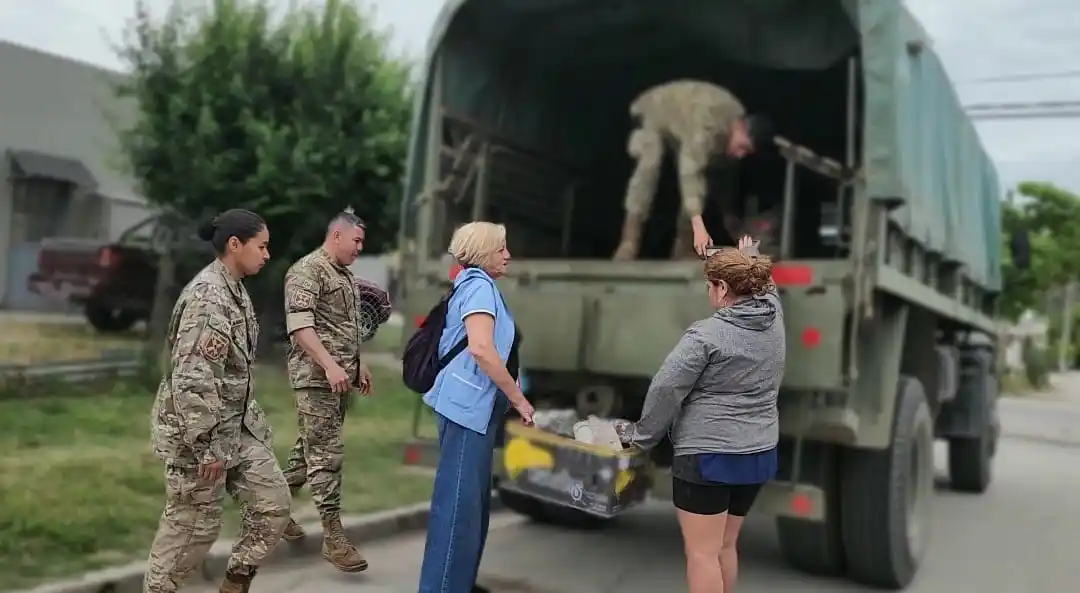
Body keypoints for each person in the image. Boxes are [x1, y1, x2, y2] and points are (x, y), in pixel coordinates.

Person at [615, 235, 783, 593]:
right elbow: (767, 284)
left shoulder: (706, 336)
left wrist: (640, 437)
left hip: (708, 457)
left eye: (710, 285)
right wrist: (749, 254)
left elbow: (666, 389)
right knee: (725, 545)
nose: (709, 293)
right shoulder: (774, 315)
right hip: (758, 453)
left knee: (702, 554)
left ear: (722, 288)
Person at [144, 209, 288, 593]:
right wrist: (207, 446)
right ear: (234, 245)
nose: (267, 254)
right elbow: (192, 376)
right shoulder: (209, 297)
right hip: (199, 436)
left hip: (235, 430)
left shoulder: (234, 289)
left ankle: (235, 583)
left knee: (272, 504)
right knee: (192, 530)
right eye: (262, 246)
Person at [417, 221, 535, 593]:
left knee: (468, 508)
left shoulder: (474, 285)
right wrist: (518, 398)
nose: (508, 255)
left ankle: (456, 583)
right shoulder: (480, 288)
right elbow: (481, 349)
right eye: (501, 249)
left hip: (470, 408)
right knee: (458, 511)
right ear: (484, 253)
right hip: (467, 410)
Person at [279, 210, 373, 572]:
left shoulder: (345, 276)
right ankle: (334, 539)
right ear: (336, 236)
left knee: (310, 449)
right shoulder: (307, 271)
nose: (360, 248)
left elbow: (345, 328)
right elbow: (301, 327)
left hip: (338, 379)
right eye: (357, 241)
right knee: (327, 454)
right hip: (315, 378)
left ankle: (273, 509)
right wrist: (330, 365)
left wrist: (357, 364)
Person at [613, 79, 773, 261]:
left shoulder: (730, 137)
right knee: (651, 159)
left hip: (682, 126)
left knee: (702, 185)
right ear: (741, 128)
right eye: (742, 147)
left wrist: (732, 222)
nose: (740, 154)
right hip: (651, 113)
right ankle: (629, 242)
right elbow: (689, 173)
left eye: (747, 152)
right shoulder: (708, 124)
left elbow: (720, 182)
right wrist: (699, 229)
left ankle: (683, 249)